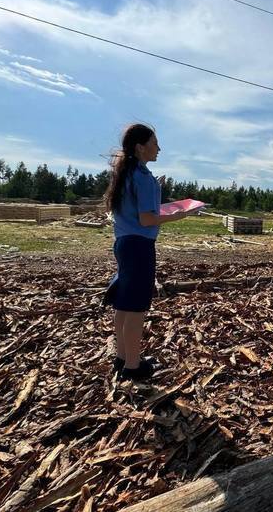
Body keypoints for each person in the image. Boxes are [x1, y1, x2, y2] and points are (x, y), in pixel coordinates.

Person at [103, 123, 196, 380]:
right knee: (136, 308)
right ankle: (133, 367)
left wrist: (155, 190)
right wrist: (179, 214)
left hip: (123, 244)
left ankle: (122, 358)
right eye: (155, 143)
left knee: (123, 304)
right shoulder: (142, 178)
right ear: (140, 147)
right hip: (139, 246)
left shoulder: (129, 172)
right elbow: (146, 219)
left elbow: (135, 211)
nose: (159, 148)